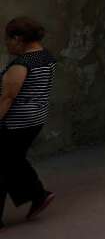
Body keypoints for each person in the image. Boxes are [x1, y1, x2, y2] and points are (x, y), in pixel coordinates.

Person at [0, 17, 56, 229]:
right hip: (34, 119)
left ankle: (39, 194)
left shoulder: (23, 63)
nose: (6, 43)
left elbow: (8, 97)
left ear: (18, 38)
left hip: (15, 123)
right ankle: (39, 194)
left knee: (4, 165)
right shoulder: (46, 57)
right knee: (13, 161)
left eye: (8, 39)